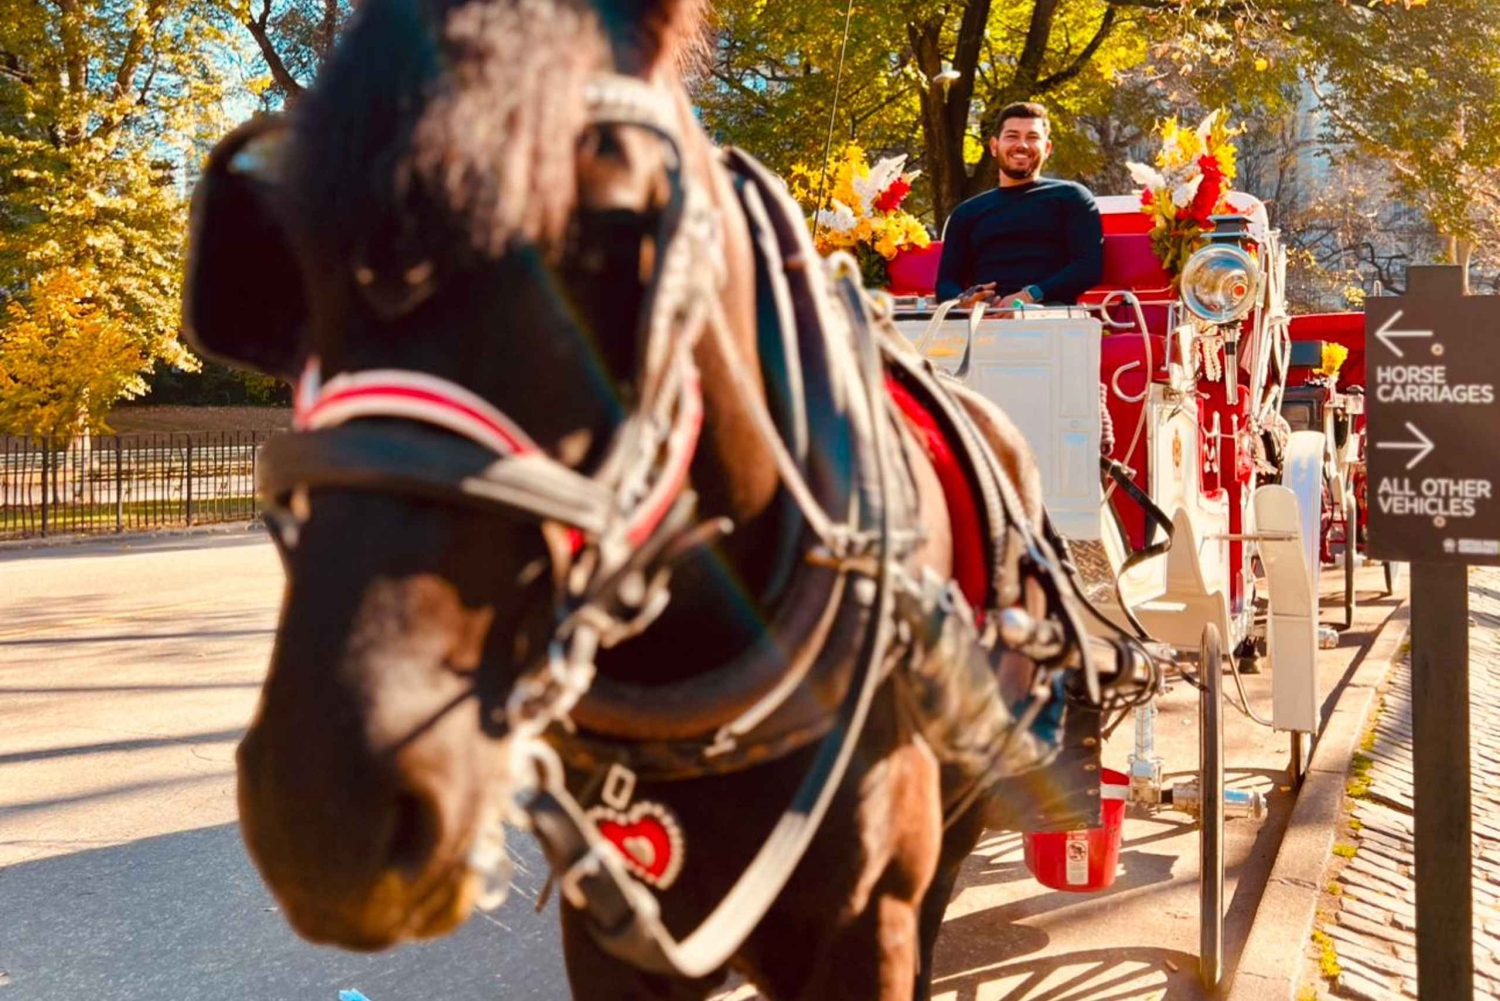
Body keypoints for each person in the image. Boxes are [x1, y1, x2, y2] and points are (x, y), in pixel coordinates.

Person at [934, 102, 1104, 310]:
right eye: (1012, 136)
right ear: (994, 146)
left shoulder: (1071, 197)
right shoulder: (967, 212)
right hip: (982, 320)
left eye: (1032, 137)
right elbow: (946, 283)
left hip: (1048, 316)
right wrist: (965, 302)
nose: (1022, 145)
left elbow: (1088, 267)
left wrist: (1030, 295)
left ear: (1047, 148)